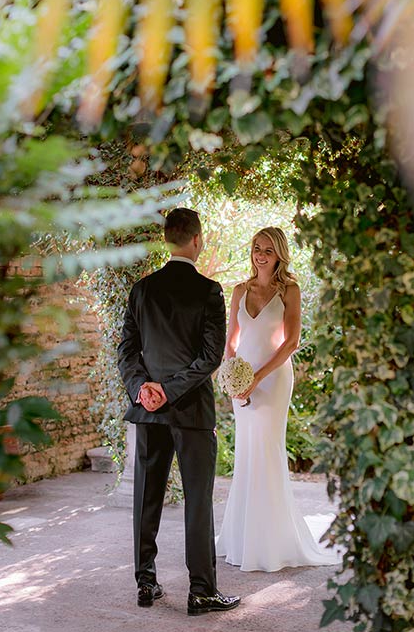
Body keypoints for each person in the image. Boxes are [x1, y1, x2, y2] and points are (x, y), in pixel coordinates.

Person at [117, 208, 240, 615]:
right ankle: (201, 591)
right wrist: (168, 392)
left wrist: (143, 390)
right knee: (197, 501)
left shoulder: (142, 289)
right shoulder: (209, 291)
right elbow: (209, 357)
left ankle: (145, 584)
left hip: (148, 412)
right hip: (190, 413)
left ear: (167, 240)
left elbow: (126, 352)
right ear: (197, 240)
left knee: (146, 500)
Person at [215, 226, 342, 571]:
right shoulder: (240, 290)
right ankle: (241, 537)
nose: (260, 254)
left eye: (268, 250)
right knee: (246, 452)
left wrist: (256, 378)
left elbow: (291, 342)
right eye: (257, 248)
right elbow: (230, 341)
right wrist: (231, 377)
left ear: (279, 254)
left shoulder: (289, 290)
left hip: (272, 379)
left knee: (268, 451)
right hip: (241, 379)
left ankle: (270, 543)